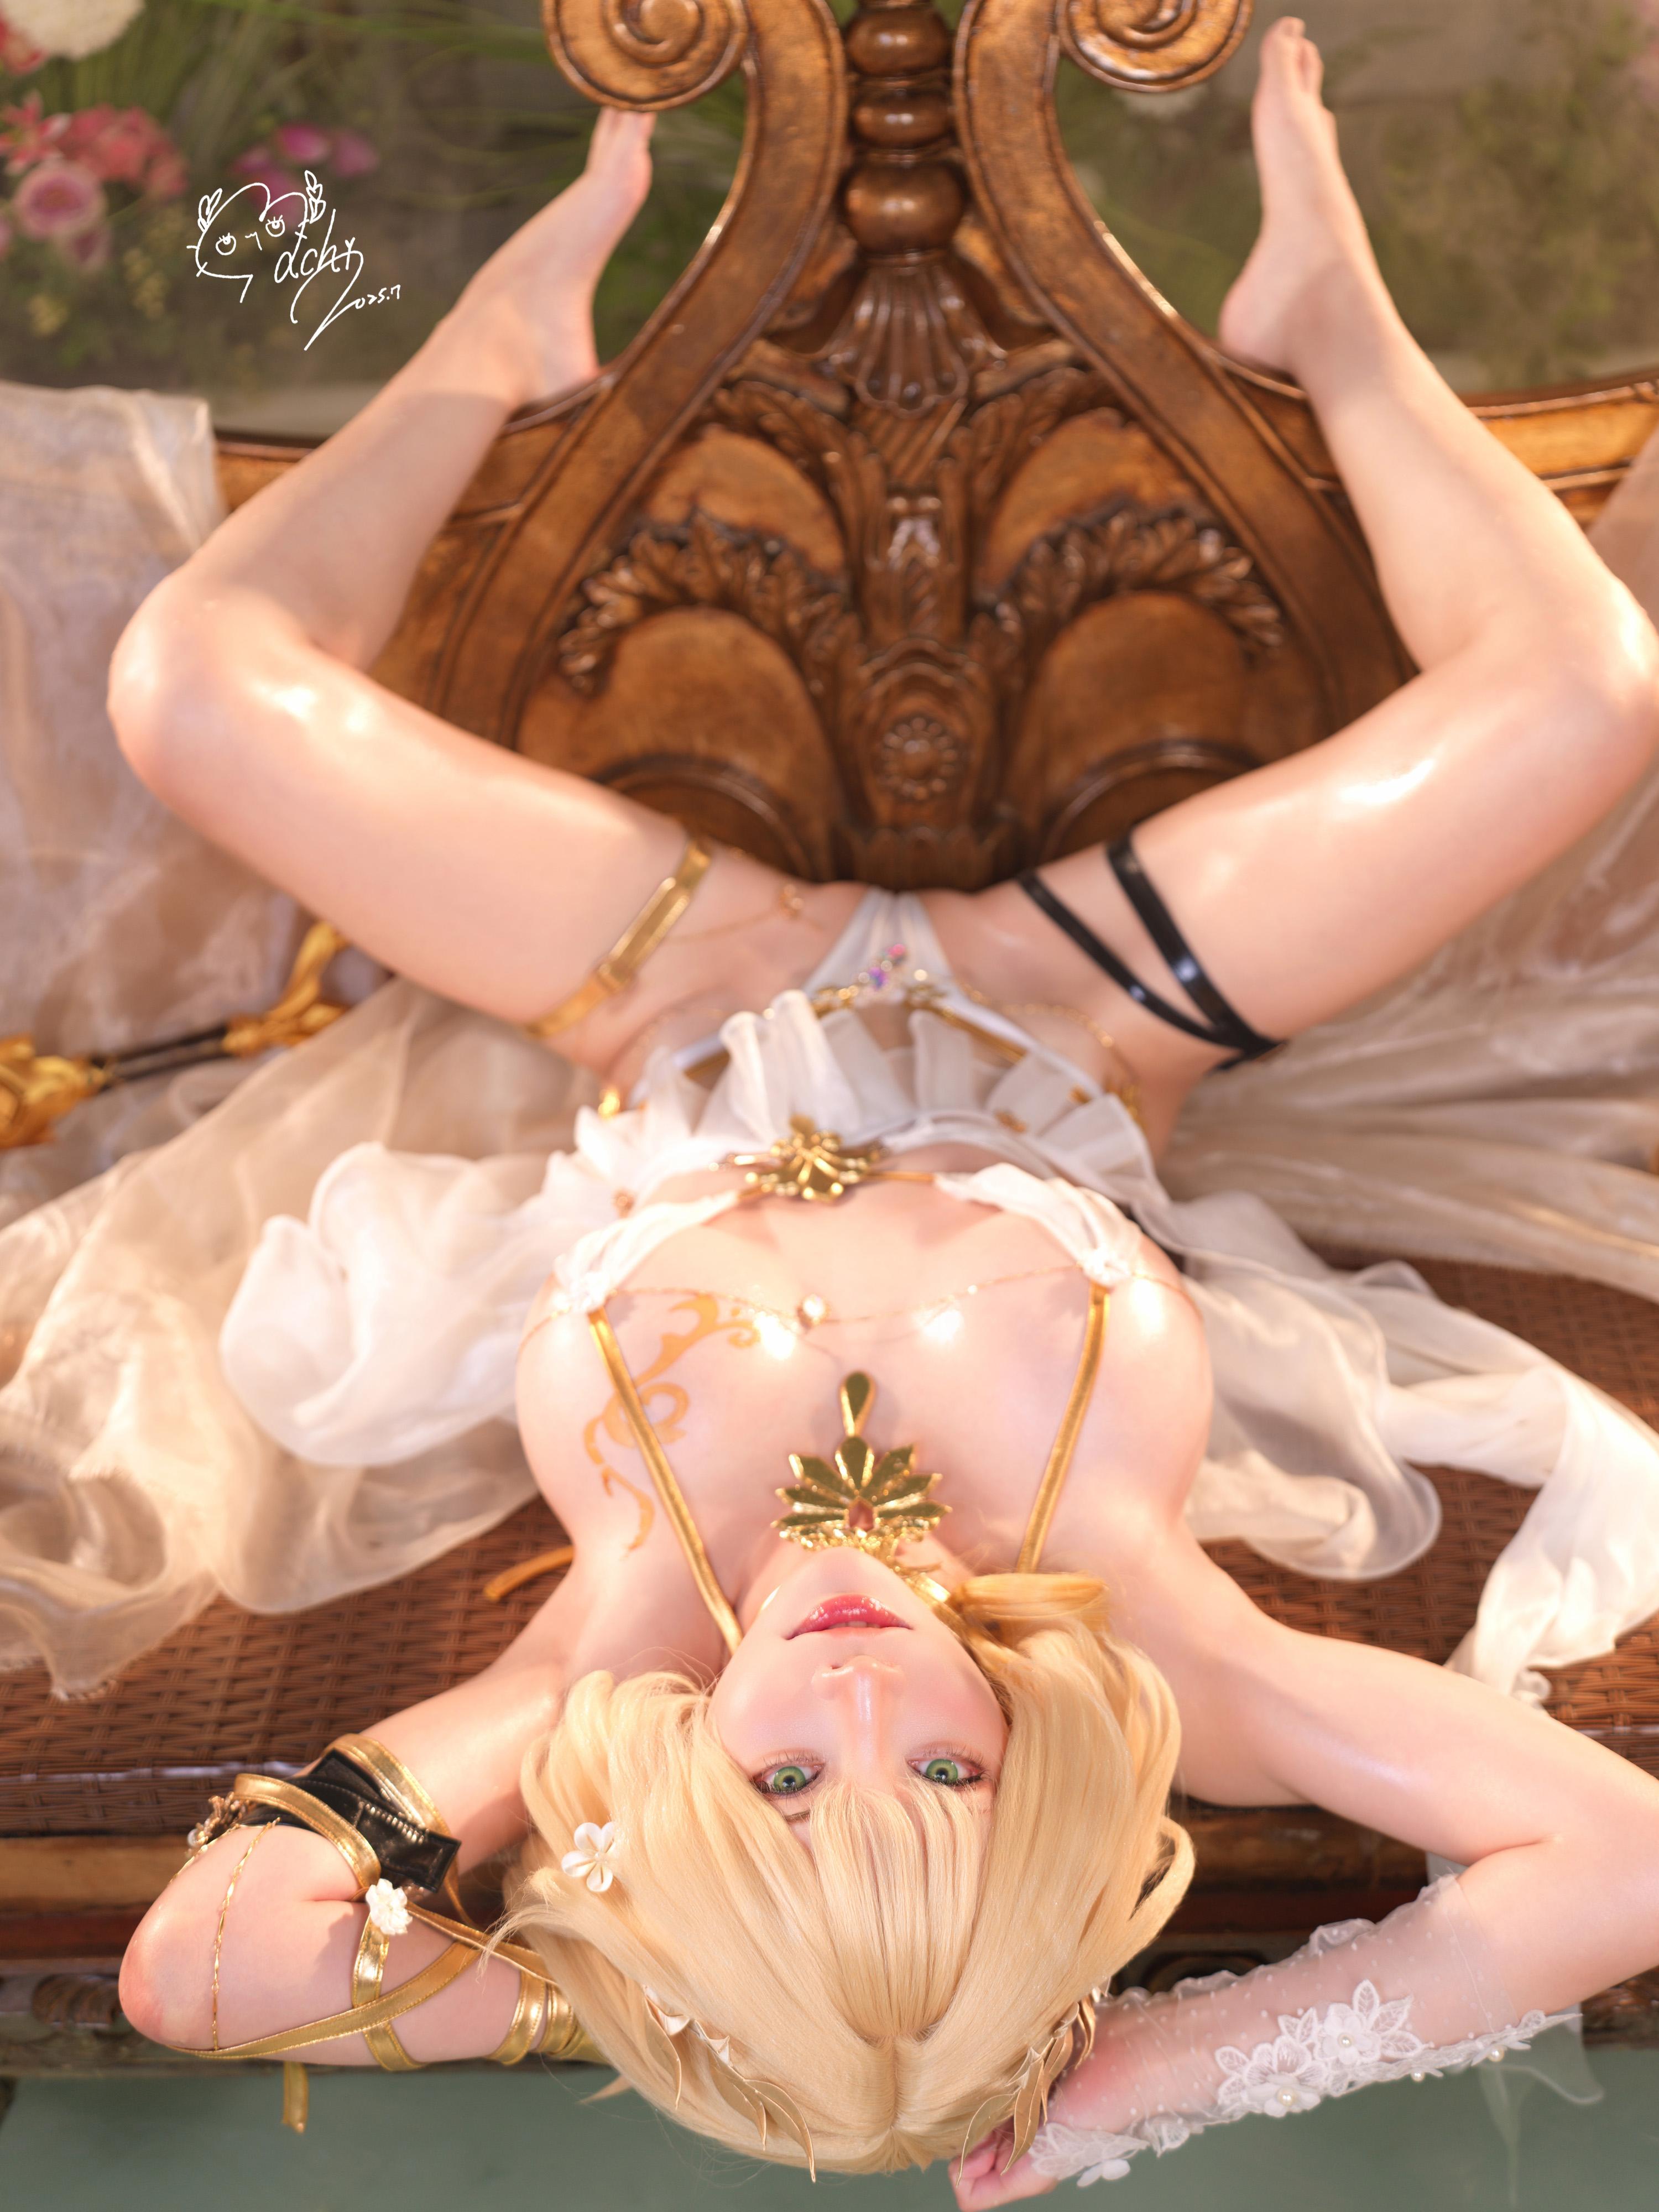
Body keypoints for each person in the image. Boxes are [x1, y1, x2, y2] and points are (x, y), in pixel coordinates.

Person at [108, 17, 1659, 2188]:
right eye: (943, 1782)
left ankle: (484, 345)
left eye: (779, 1798)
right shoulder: (1157, 1638)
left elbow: (205, 1965)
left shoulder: (605, 1665)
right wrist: (1162, 2071)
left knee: (185, 690)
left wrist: (662, 1995)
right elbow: (1623, 1862)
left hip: (688, 992)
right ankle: (1332, 316)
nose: (851, 1705)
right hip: (1084, 1010)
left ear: (686, 1821)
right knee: (1593, 689)